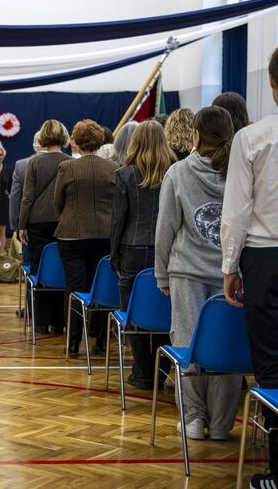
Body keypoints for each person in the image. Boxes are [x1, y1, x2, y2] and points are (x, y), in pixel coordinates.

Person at [155, 105, 239, 442]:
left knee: (187, 345)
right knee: (226, 347)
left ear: (196, 134)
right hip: (230, 273)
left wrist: (161, 274)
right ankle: (221, 424)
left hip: (186, 272)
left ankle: (192, 419)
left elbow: (165, 229)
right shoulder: (242, 170)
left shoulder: (178, 172)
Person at [221, 48, 278, 489]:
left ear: (272, 85)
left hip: (264, 258)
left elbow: (236, 210)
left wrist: (229, 264)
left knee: (272, 365)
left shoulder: (253, 138)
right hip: (262, 255)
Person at [110, 121, 176, 390]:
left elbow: (118, 220)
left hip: (132, 249)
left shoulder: (124, 174)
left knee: (135, 313)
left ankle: (143, 373)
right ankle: (162, 371)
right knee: (165, 312)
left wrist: (114, 255)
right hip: (167, 250)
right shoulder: (174, 171)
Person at [54, 119, 117, 357]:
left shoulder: (67, 168)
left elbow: (57, 203)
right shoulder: (113, 168)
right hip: (105, 236)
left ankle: (72, 342)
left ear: (77, 143)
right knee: (101, 288)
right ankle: (101, 341)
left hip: (71, 235)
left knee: (74, 288)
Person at [18, 120, 70, 333]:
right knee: (61, 270)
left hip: (37, 222)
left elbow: (27, 198)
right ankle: (59, 322)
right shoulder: (68, 161)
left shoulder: (34, 163)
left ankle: (39, 322)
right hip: (62, 221)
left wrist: (22, 225)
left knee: (40, 272)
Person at [9, 132, 43, 241]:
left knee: (29, 257)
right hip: (58, 223)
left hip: (29, 223)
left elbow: (15, 198)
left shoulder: (21, 165)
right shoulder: (67, 162)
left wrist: (16, 225)